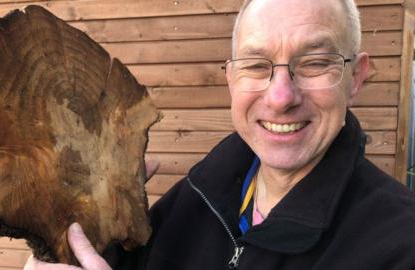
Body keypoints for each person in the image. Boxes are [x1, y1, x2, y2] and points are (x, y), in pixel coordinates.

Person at [25, 0, 415, 269]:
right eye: (256, 65)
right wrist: (80, 238)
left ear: (356, 78)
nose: (280, 97)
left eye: (314, 62)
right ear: (230, 79)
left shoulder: (398, 244)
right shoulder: (192, 200)